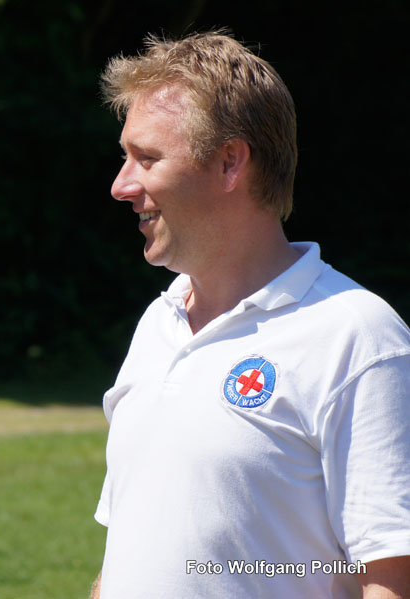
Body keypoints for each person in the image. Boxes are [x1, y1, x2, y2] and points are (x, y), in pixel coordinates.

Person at [91, 31, 410, 599]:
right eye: (125, 157)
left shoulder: (356, 335)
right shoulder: (157, 324)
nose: (121, 185)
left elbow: (388, 578)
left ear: (230, 163)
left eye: (147, 158)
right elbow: (128, 550)